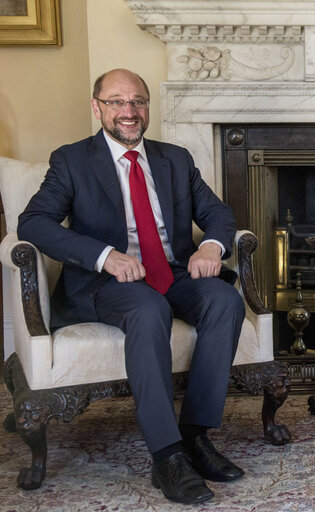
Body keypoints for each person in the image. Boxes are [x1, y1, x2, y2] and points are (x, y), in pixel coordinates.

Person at [17, 69, 246, 504]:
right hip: (105, 281)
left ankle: (195, 436)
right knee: (147, 309)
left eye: (138, 101)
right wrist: (105, 256)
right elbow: (33, 223)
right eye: (117, 101)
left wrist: (212, 247)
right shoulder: (72, 160)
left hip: (172, 272)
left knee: (224, 300)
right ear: (97, 106)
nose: (129, 111)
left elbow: (217, 213)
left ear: (147, 108)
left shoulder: (174, 158)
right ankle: (167, 457)